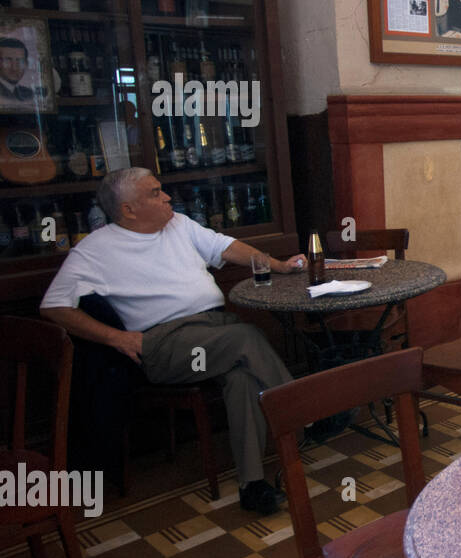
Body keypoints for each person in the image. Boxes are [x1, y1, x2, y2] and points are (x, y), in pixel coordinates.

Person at [39, 167, 307, 515]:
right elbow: (53, 305)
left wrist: (278, 266)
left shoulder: (179, 224)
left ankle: (252, 485)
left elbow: (226, 247)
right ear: (128, 210)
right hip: (165, 344)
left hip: (214, 329)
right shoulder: (94, 250)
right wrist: (115, 337)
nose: (166, 197)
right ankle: (306, 417)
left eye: (161, 190)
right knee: (245, 338)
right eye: (154, 193)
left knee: (241, 378)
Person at [0, 37, 36, 102]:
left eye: (20, 61)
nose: (14, 68)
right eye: (7, 61)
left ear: (26, 64)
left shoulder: (29, 93)